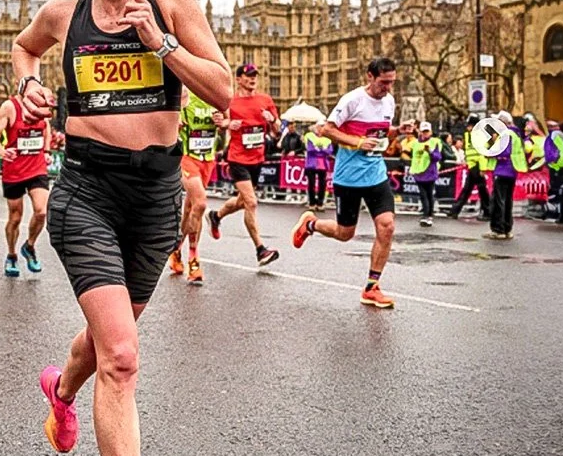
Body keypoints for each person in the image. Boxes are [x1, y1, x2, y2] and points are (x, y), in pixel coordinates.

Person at [11, 0, 232, 456]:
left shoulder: (169, 4)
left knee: (111, 341)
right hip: (86, 193)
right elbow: (23, 47)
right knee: (126, 357)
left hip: (154, 197)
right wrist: (26, 83)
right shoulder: (61, 16)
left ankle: (61, 390)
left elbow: (223, 91)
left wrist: (159, 44)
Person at [291, 57, 398, 308]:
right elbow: (326, 130)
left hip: (376, 174)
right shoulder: (352, 100)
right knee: (344, 233)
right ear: (369, 76)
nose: (388, 88)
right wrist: (358, 142)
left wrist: (397, 131)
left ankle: (372, 287)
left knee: (387, 226)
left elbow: (378, 134)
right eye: (384, 82)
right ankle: (311, 225)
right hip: (348, 177)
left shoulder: (390, 101)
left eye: (392, 83)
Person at [206, 64, 281, 267]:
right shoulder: (231, 102)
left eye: (254, 75)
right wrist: (227, 124)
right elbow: (218, 122)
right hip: (237, 158)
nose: (252, 79)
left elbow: (277, 131)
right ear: (238, 79)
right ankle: (261, 249)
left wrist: (272, 119)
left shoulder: (265, 100)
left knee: (242, 201)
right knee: (251, 202)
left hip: (257, 159)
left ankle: (216, 215)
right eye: (248, 76)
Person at [0, 92, 52, 277]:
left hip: (37, 167)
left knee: (42, 211)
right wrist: (2, 152)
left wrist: (47, 150)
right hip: (14, 169)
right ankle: (11, 254)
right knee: (15, 217)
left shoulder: (41, 104)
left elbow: (46, 126)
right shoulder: (9, 107)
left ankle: (29, 246)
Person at [168, 87, 223, 285]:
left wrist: (223, 123)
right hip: (187, 158)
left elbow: (226, 119)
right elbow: (171, 120)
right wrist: (176, 122)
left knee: (191, 210)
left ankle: (176, 249)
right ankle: (193, 258)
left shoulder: (215, 95)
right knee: (200, 204)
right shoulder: (184, 95)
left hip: (207, 159)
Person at [485, 110, 528, 240]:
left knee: (498, 201)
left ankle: (499, 230)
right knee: (507, 200)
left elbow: (504, 152)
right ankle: (507, 228)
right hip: (511, 171)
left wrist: (491, 153)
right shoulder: (515, 133)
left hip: (502, 170)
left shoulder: (505, 134)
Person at [448, 114, 492, 220]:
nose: (467, 127)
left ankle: (488, 212)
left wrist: (482, 168)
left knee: (481, 191)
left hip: (477, 166)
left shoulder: (480, 135)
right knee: (469, 189)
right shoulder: (468, 135)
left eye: (469, 125)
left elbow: (482, 153)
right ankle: (455, 210)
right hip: (472, 166)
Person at [410, 120, 442, 226]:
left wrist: (430, 151)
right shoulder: (415, 143)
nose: (425, 134)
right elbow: (414, 157)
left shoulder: (435, 142)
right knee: (423, 195)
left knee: (429, 195)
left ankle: (429, 216)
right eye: (423, 131)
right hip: (418, 173)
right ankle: (425, 215)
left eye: (427, 131)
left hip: (430, 173)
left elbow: (438, 158)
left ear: (431, 132)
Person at [544, 121, 563, 224]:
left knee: (557, 191)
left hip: (559, 166)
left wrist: (554, 163)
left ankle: (557, 214)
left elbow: (553, 153)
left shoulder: (553, 136)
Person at [303, 126, 333, 211]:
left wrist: (318, 150)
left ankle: (320, 203)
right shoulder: (309, 137)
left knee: (322, 185)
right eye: (318, 128)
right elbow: (310, 149)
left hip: (323, 165)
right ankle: (312, 203)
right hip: (311, 164)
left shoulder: (327, 140)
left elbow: (330, 151)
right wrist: (322, 150)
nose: (320, 130)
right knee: (311, 184)